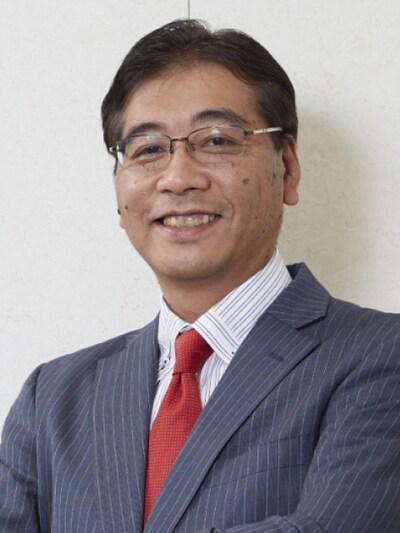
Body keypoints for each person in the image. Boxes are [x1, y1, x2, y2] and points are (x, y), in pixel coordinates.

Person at [1, 18, 399, 533]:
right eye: (148, 149)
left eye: (216, 140)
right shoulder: (52, 398)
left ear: (287, 167)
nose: (178, 177)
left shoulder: (381, 356)